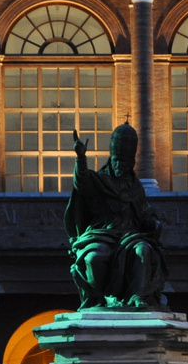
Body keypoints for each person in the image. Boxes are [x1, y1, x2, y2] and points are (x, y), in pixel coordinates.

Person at [65, 124, 168, 309]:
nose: (119, 165)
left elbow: (144, 213)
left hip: (130, 235)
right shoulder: (100, 180)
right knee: (93, 258)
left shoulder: (135, 186)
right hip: (103, 233)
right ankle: (102, 297)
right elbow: (82, 183)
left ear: (132, 163)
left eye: (124, 161)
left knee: (143, 250)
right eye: (117, 160)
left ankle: (137, 296)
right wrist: (81, 158)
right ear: (111, 158)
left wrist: (153, 223)